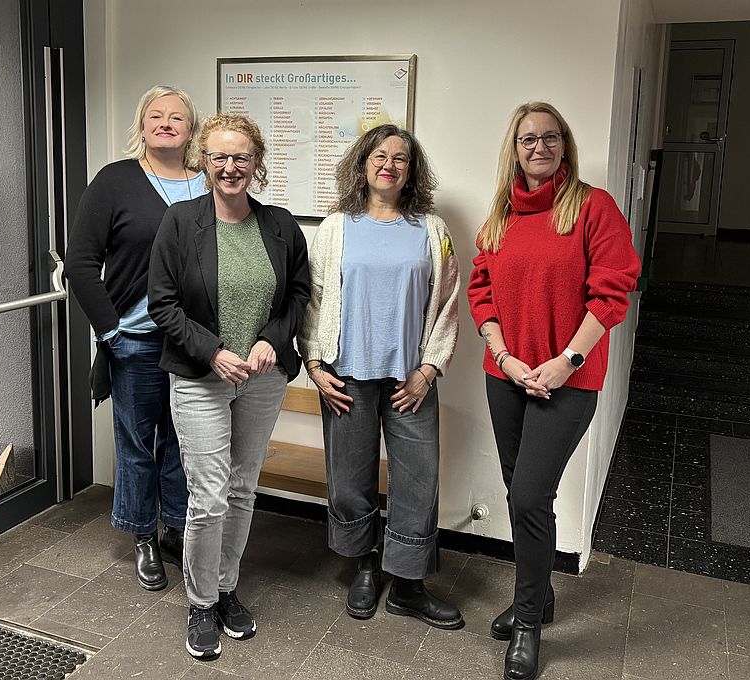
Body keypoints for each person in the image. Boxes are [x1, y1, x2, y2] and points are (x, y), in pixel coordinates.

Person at [467, 102, 640, 680]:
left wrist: (567, 361)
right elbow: (481, 291)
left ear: (564, 144)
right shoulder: (501, 215)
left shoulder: (593, 208)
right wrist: (503, 356)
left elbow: (612, 292)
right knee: (524, 493)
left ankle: (527, 626)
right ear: (514, 150)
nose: (538, 147)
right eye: (527, 139)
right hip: (507, 376)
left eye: (549, 137)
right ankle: (537, 597)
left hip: (568, 380)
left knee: (528, 494)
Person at [148, 113, 310, 660]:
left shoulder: (280, 226)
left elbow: (298, 293)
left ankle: (224, 588)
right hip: (202, 377)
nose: (230, 166)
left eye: (241, 156)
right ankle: (200, 603)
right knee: (209, 494)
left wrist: (271, 340)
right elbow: (162, 304)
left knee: (242, 488)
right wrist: (213, 351)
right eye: (219, 156)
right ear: (204, 161)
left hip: (262, 379)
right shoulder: (179, 222)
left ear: (256, 162)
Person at [297, 124, 463, 629]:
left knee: (418, 480)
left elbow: (448, 302)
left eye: (401, 158)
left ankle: (408, 583)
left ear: (412, 171)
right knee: (350, 479)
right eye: (380, 156)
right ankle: (365, 564)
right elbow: (314, 299)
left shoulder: (431, 229)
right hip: (345, 376)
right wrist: (314, 365)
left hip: (410, 380)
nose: (389, 165)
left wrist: (429, 370)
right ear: (363, 164)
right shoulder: (335, 228)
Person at [65, 85, 206, 592]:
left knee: (183, 442)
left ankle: (176, 529)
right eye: (156, 115)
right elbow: (80, 264)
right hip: (138, 340)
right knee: (138, 444)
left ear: (191, 130)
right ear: (142, 125)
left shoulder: (208, 181)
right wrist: (111, 332)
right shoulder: (115, 181)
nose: (166, 123)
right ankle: (143, 533)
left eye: (177, 117)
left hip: (196, 342)